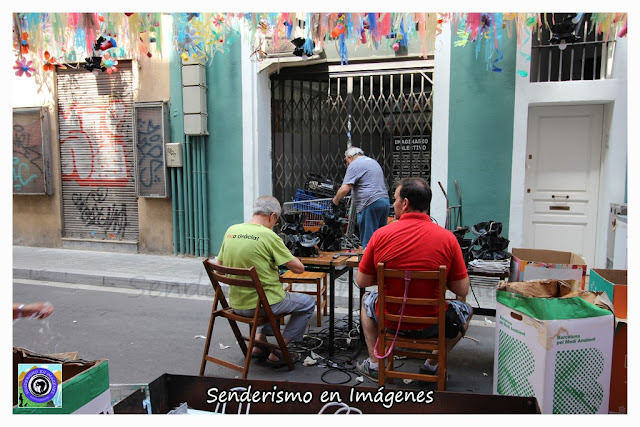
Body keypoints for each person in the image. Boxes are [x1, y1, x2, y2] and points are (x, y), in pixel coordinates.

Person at [354, 177, 473, 381]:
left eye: (395, 199)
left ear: (405, 203)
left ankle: (375, 363)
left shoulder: (380, 235)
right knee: (467, 310)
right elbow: (462, 290)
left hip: (390, 321)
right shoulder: (448, 239)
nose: (393, 204)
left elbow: (362, 281)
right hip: (433, 325)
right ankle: (432, 364)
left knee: (367, 300)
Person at [216, 196, 316, 368]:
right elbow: (299, 268)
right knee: (307, 303)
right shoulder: (268, 235)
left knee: (269, 294)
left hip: (236, 303)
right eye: (275, 221)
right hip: (261, 306)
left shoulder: (231, 230)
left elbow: (219, 267)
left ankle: (259, 344)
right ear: (272, 216)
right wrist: (290, 257)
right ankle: (280, 349)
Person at [332, 146, 389, 248]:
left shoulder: (355, 164)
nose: (347, 165)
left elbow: (345, 188)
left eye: (346, 162)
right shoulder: (373, 162)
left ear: (349, 157)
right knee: (381, 240)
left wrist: (335, 201)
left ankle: (367, 263)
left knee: (369, 243)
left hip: (369, 203)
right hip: (384, 201)